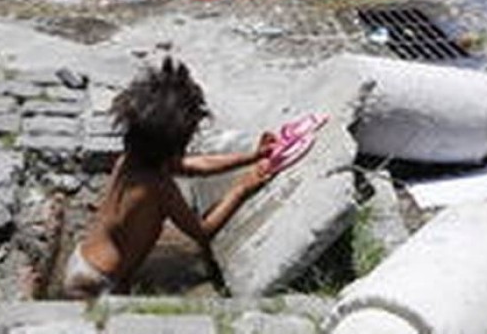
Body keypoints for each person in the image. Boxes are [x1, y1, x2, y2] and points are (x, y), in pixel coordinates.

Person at [62, 58, 326, 299]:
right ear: (176, 143)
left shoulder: (132, 159)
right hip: (96, 282)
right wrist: (241, 188)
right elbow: (202, 231)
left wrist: (252, 156)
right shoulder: (158, 187)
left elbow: (196, 166)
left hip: (84, 262)